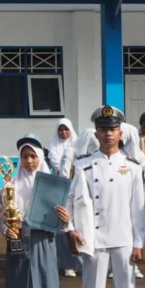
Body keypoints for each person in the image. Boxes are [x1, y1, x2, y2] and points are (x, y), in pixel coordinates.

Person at [67, 105, 145, 288]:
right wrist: (72, 229)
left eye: (112, 129)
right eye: (103, 129)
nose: (108, 134)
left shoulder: (132, 167)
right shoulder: (83, 165)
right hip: (95, 239)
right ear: (96, 133)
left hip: (124, 238)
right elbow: (71, 200)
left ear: (121, 133)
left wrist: (139, 242)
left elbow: (138, 208)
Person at [2, 135, 67, 288]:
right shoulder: (12, 186)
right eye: (25, 156)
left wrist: (65, 219)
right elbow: (4, 215)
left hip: (44, 243)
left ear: (40, 158)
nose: (29, 161)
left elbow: (63, 218)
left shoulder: (51, 184)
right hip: (20, 243)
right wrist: (7, 230)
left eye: (33, 156)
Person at [48, 119, 82, 278]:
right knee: (63, 224)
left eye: (66, 130)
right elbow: (56, 164)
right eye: (60, 130)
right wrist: (64, 171)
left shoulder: (78, 146)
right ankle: (67, 264)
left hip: (78, 187)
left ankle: (80, 263)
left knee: (78, 224)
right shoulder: (53, 147)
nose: (63, 133)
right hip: (59, 187)